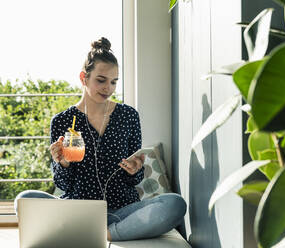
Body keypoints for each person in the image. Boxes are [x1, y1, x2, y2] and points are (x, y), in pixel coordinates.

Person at [14, 37, 187, 241]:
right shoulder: (62, 121)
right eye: (101, 80)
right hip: (77, 210)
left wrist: (135, 170)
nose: (108, 88)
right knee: (24, 199)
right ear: (83, 78)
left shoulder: (128, 116)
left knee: (175, 203)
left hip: (122, 211)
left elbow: (135, 179)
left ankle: (103, 234)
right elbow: (63, 183)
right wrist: (63, 163)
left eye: (114, 82)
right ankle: (95, 231)